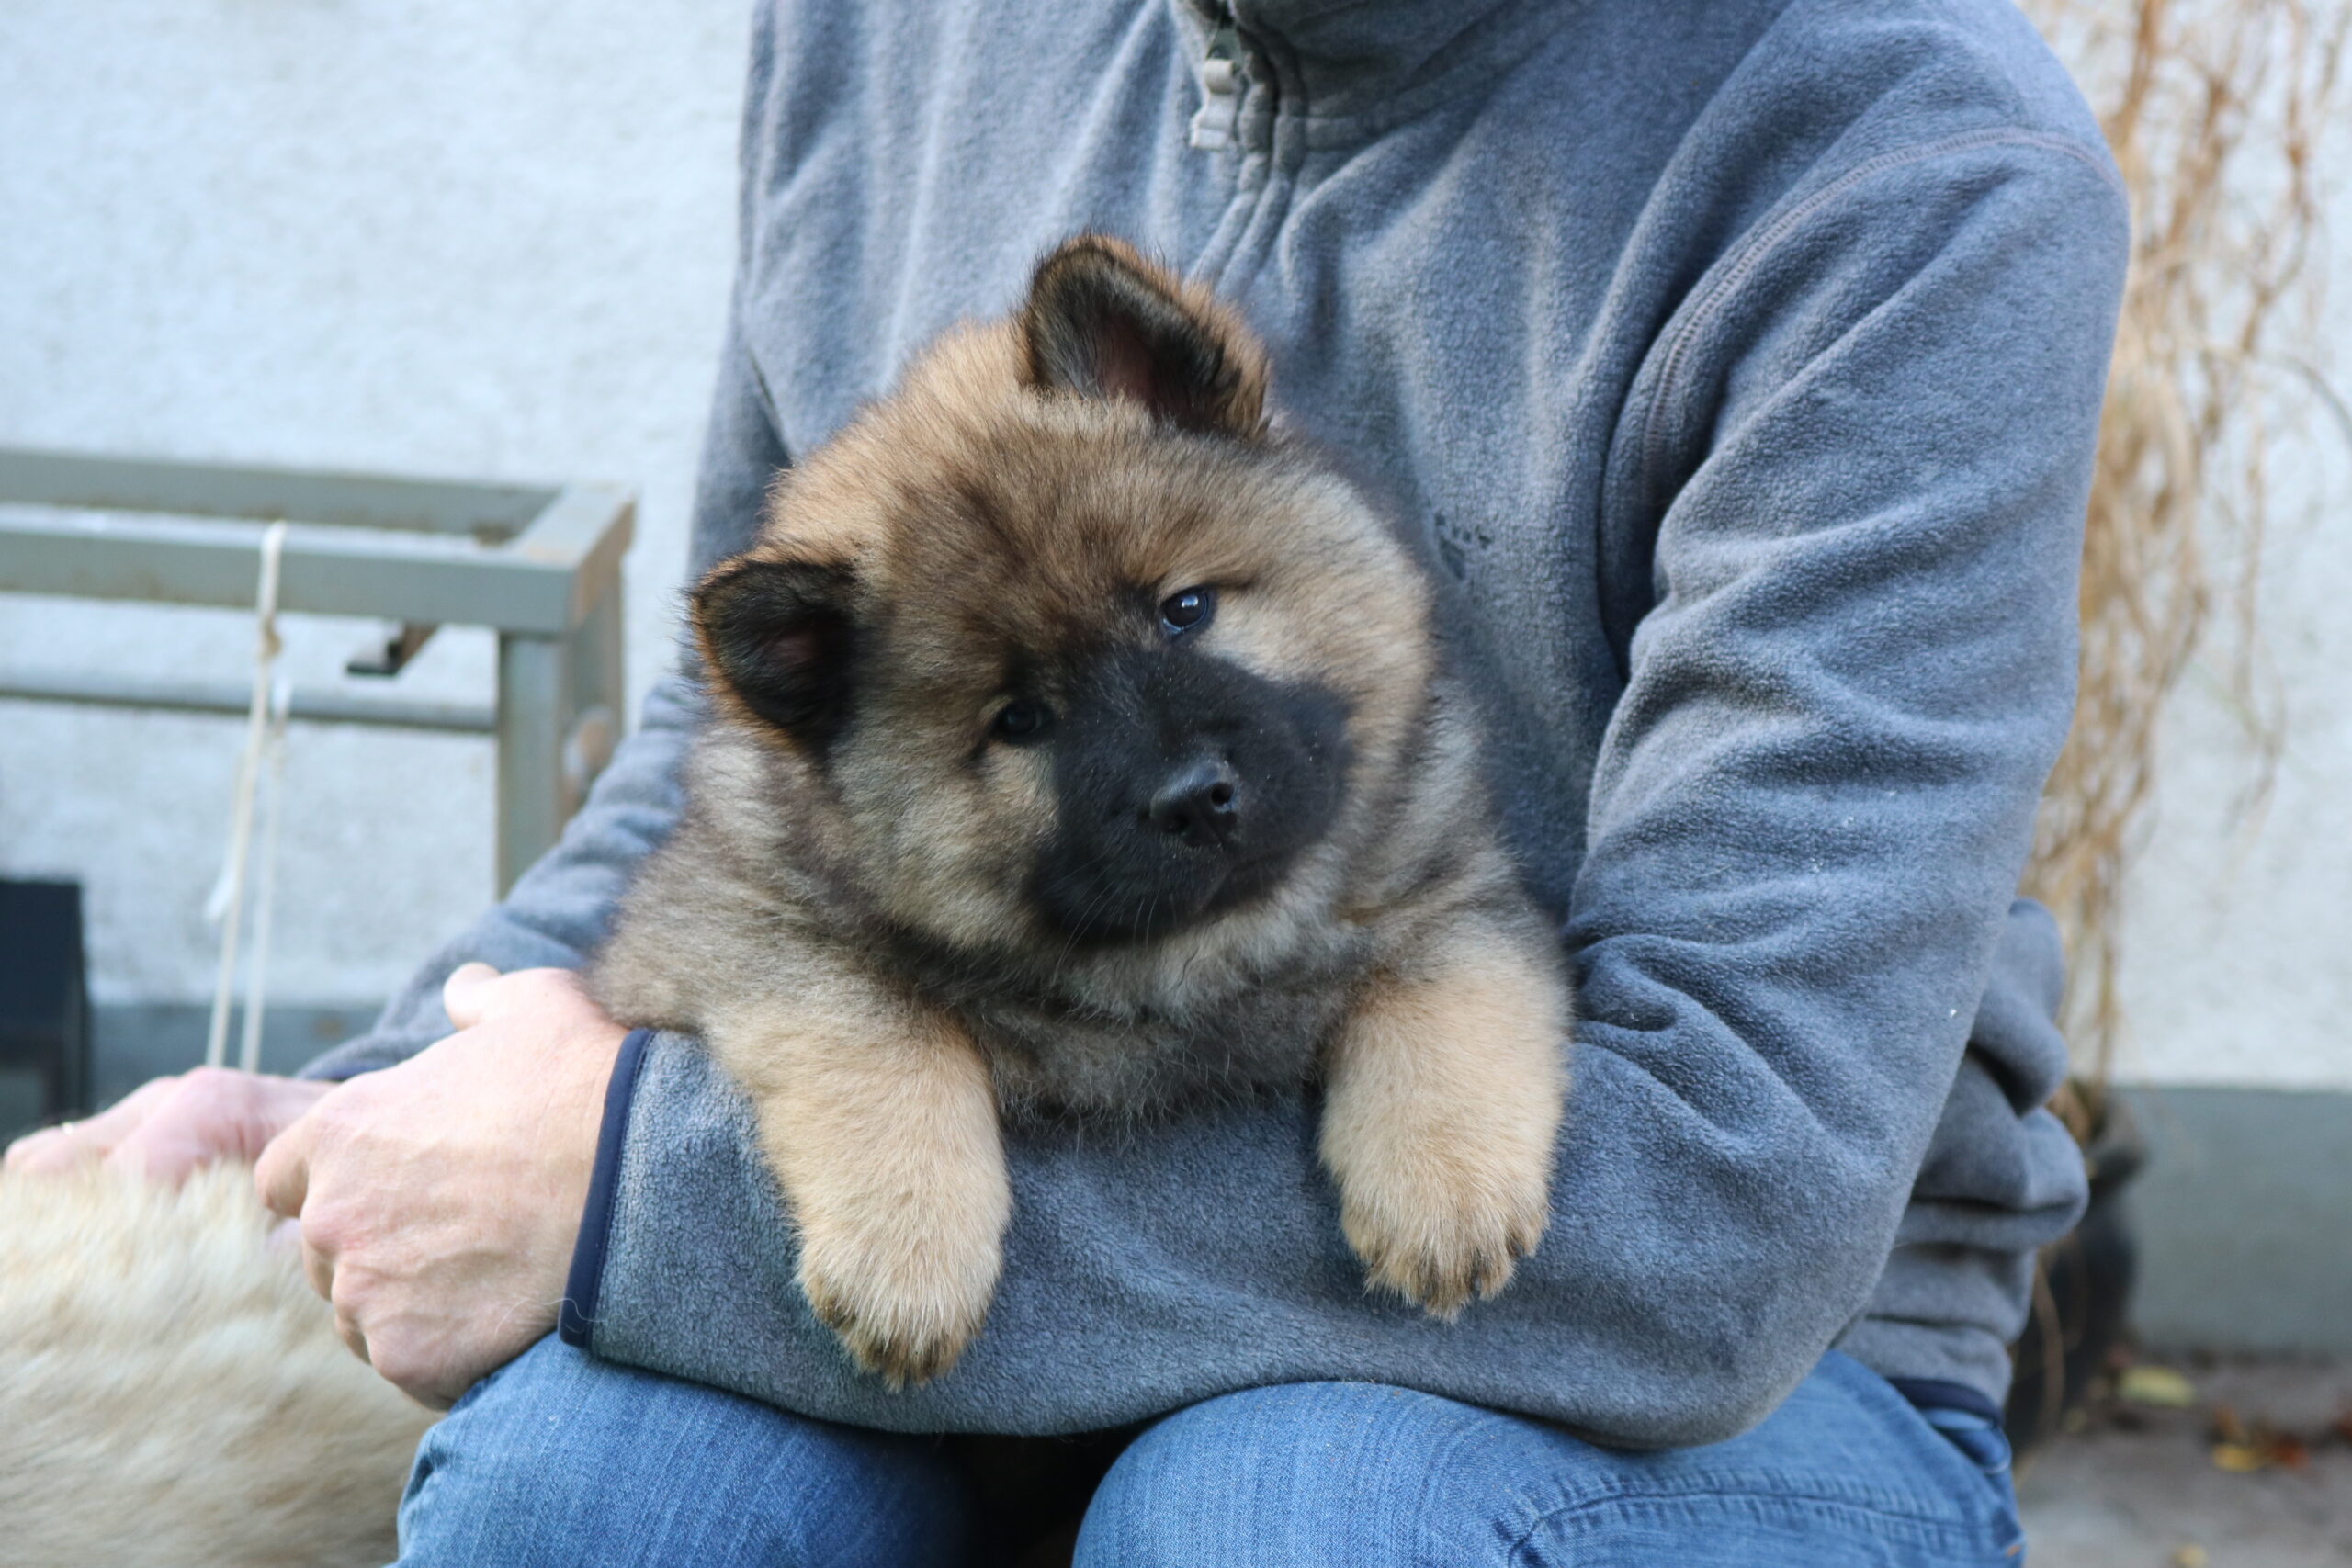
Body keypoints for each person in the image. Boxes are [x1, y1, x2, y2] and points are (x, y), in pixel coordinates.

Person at [7, 0, 2129, 1561]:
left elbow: (1720, 1204)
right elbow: (747, 766)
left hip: (1719, 1369)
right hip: (976, 1169)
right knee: (598, 1496)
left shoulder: (1891, 159)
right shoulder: (885, 31)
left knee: (1293, 1513)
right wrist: (346, 1103)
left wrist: (641, 1197)